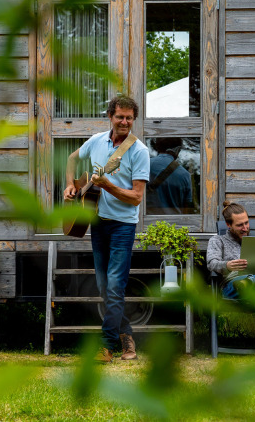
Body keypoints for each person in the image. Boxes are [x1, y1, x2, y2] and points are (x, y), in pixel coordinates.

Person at [64, 95, 150, 363]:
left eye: (129, 118)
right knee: (104, 286)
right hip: (97, 222)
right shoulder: (96, 141)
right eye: (120, 116)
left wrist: (108, 186)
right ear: (110, 116)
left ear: (134, 120)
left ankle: (106, 347)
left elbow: (136, 197)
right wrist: (71, 185)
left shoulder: (139, 151)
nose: (124, 122)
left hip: (123, 226)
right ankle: (127, 336)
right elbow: (71, 159)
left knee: (114, 285)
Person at [206, 201, 255, 353]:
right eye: (240, 225)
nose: (245, 228)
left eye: (246, 223)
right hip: (233, 285)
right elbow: (211, 263)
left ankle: (252, 280)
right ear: (228, 225)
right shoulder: (217, 240)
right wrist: (227, 265)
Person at [146, 137, 193, 215]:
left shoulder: (144, 165)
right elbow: (186, 208)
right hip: (174, 221)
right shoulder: (185, 174)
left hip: (147, 220)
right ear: (177, 149)